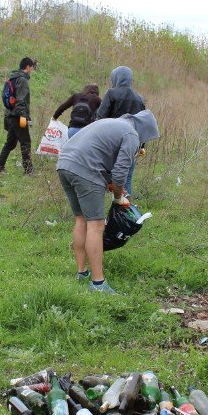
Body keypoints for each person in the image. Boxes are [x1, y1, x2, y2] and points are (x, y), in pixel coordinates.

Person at [56, 109, 160, 294]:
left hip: (64, 165)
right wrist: (118, 196)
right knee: (95, 226)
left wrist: (111, 185)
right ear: (146, 132)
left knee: (81, 220)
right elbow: (120, 173)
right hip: (85, 171)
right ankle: (98, 284)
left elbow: (98, 154)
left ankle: (82, 273)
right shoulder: (131, 135)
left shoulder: (112, 123)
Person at [95, 66, 147, 194]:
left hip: (111, 143)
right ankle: (124, 210)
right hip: (131, 143)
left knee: (101, 178)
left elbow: (100, 118)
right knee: (127, 178)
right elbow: (143, 123)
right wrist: (141, 146)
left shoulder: (111, 93)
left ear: (116, 78)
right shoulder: (139, 98)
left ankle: (98, 209)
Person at [0, 57, 36, 174]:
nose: (32, 69)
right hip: (18, 116)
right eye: (32, 67)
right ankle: (29, 171)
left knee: (11, 143)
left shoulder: (13, 77)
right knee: (26, 143)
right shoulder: (22, 80)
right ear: (28, 67)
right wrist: (23, 116)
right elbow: (20, 100)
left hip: (10, 115)